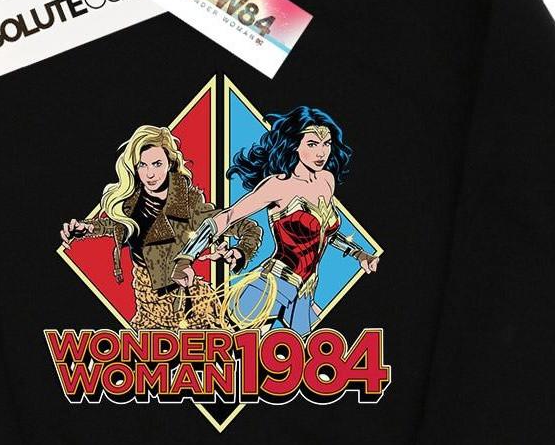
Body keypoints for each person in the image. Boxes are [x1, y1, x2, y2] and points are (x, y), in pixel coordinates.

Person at [60, 125, 262, 329]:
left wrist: (240, 251)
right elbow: (117, 224)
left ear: (170, 163)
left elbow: (249, 228)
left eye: (157, 164)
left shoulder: (189, 205)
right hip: (147, 303)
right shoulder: (130, 203)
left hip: (187, 305)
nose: (150, 174)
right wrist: (86, 228)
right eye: (142, 165)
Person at [200, 106, 380, 334]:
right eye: (312, 144)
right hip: (274, 285)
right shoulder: (279, 186)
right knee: (241, 348)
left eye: (326, 144)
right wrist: (187, 256)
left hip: (305, 291)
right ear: (295, 144)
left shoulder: (326, 180)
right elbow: (229, 215)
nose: (321, 153)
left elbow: (325, 231)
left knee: (310, 351)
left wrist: (360, 254)